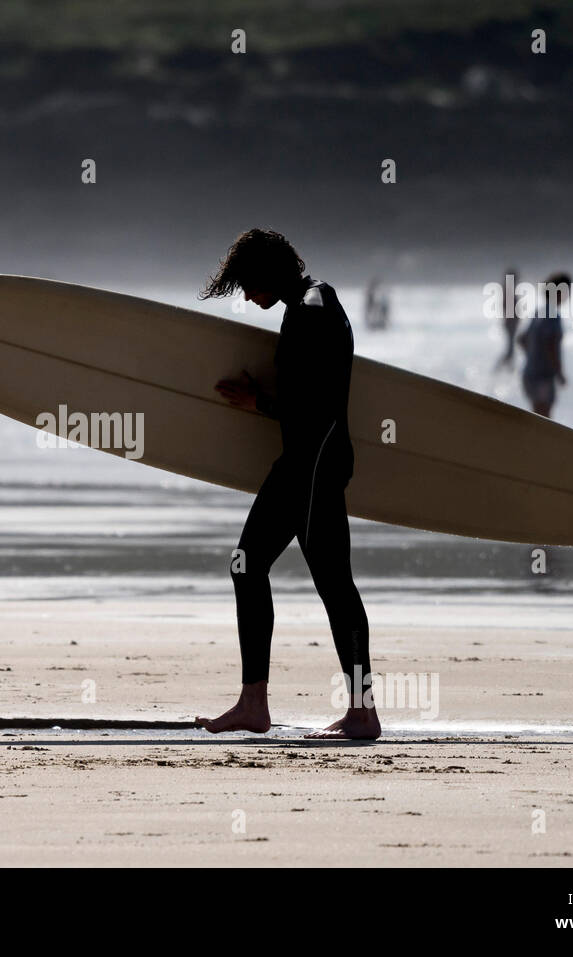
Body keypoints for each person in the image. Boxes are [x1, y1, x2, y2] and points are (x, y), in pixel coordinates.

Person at [197, 228, 377, 740]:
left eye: (248, 284)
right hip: (300, 461)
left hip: (315, 463)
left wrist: (260, 404)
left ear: (271, 272)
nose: (247, 296)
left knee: (334, 584)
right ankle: (253, 704)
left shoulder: (312, 308)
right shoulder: (312, 302)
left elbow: (315, 404)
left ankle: (363, 712)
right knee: (248, 565)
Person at [518, 271, 570, 418]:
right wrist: (559, 372)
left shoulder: (539, 312)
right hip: (543, 377)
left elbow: (522, 339)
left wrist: (533, 356)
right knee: (544, 419)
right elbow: (550, 345)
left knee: (537, 418)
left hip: (529, 374)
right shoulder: (552, 315)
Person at [494, 266, 523, 369]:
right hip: (510, 324)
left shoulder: (507, 291)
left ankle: (507, 367)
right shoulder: (508, 292)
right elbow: (509, 310)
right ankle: (502, 368)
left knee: (511, 347)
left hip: (510, 323)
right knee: (510, 348)